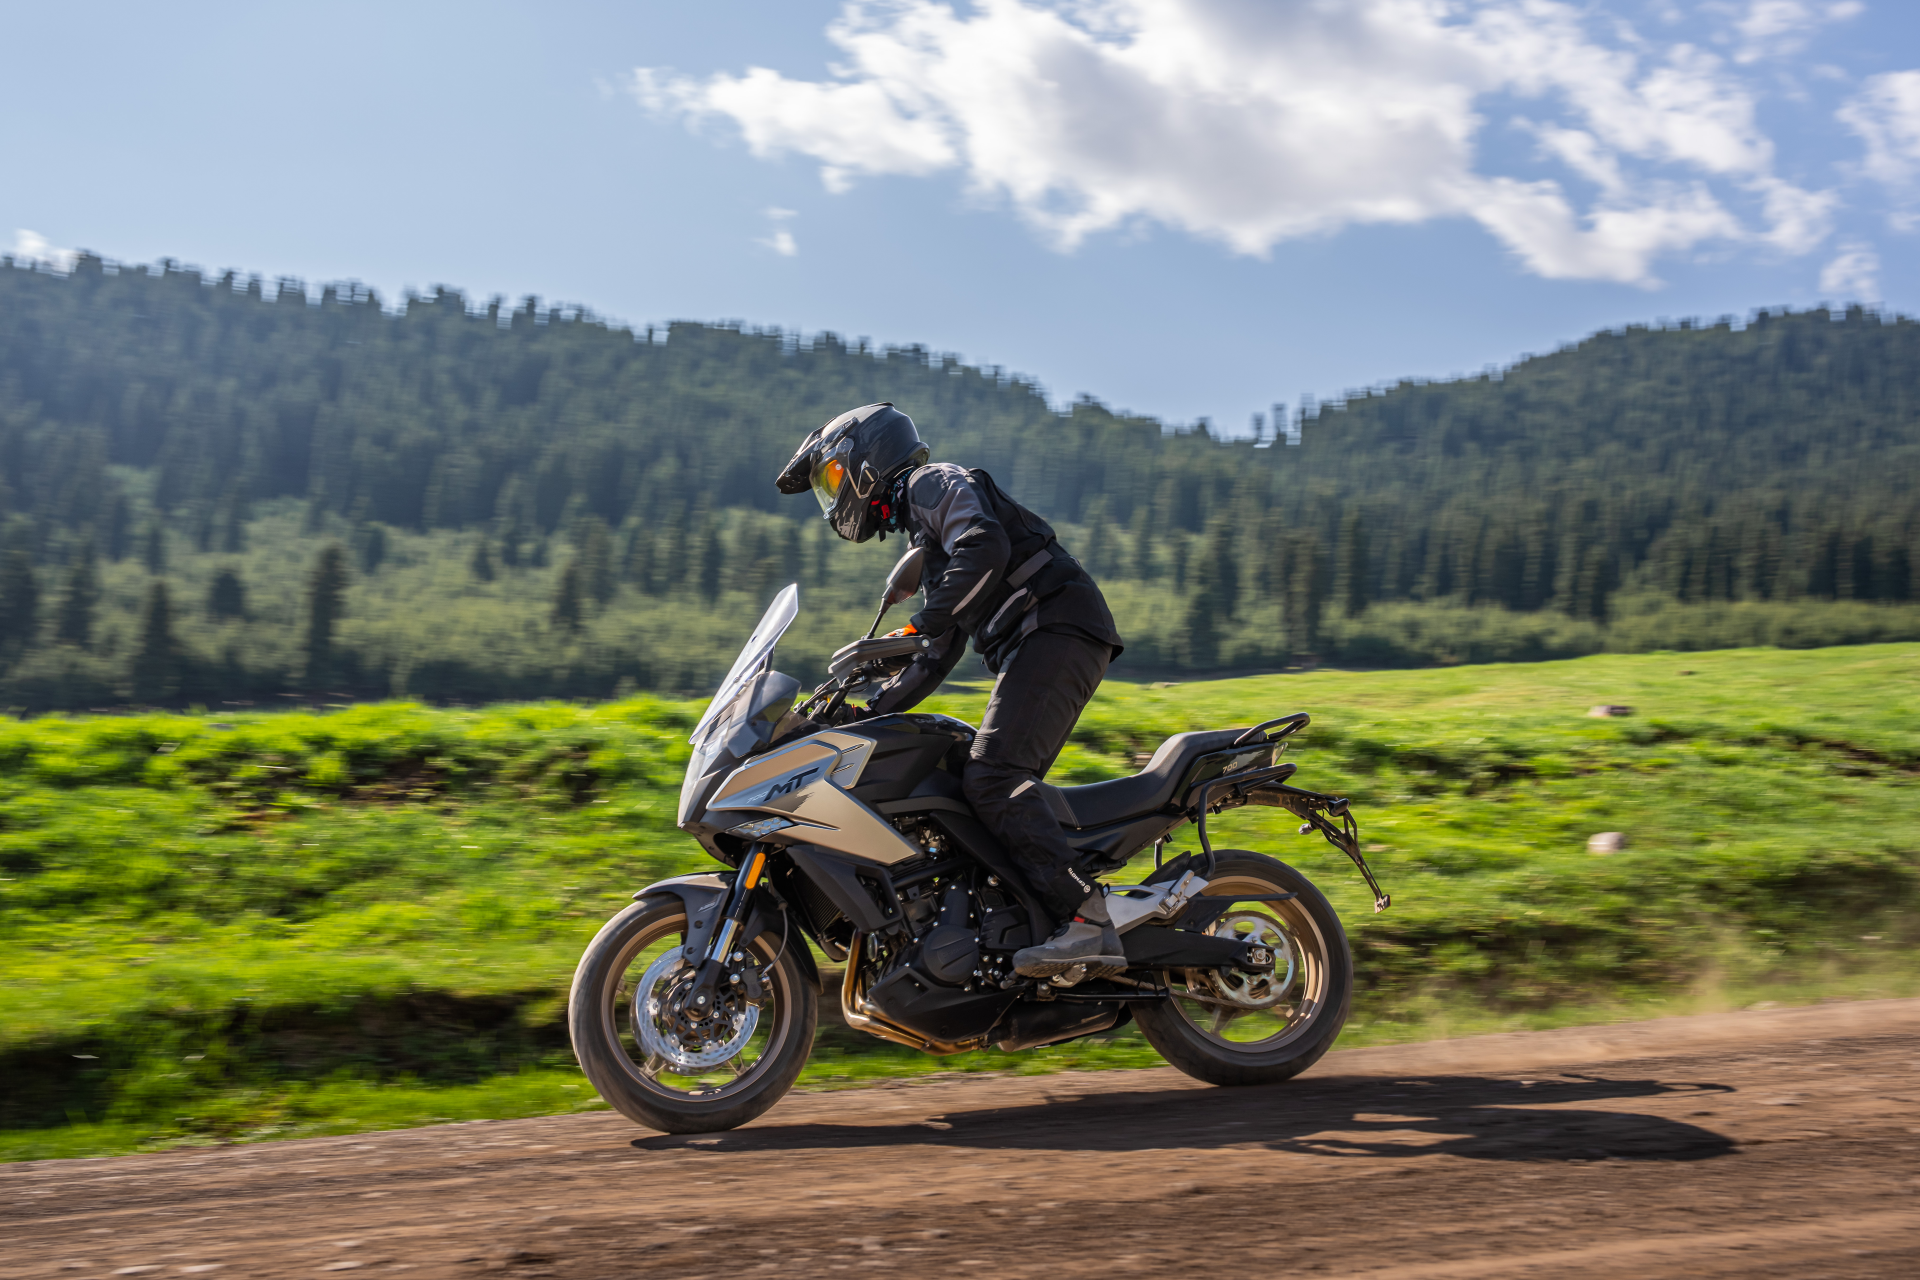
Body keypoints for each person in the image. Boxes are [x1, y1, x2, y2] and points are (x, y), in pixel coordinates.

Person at [777, 402, 1127, 978]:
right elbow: (936, 655)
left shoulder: (933, 483)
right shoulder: (929, 538)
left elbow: (985, 546)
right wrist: (864, 713)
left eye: (834, 477)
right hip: (1039, 640)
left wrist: (917, 625)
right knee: (959, 776)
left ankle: (1087, 920)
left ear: (868, 460)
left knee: (993, 776)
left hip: (1057, 629)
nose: (832, 496)